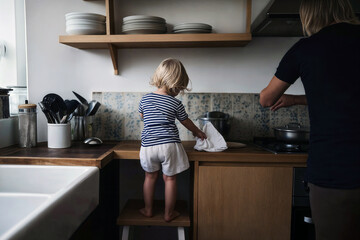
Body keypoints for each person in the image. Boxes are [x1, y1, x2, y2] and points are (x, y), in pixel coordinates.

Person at [259, 0, 360, 239]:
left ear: (310, 14)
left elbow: (266, 99)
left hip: (334, 171)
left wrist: (291, 96)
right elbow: (346, 95)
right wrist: (297, 100)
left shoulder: (307, 48)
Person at [138, 58, 206, 222]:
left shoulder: (145, 99)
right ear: (175, 83)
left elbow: (142, 116)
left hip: (148, 147)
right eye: (179, 88)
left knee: (149, 177)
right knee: (170, 179)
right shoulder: (175, 103)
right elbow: (185, 121)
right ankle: (169, 213)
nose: (179, 92)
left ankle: (148, 210)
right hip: (169, 145)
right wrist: (197, 131)